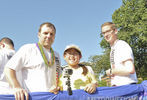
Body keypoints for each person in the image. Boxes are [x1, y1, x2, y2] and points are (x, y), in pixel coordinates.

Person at [4, 22, 61, 100]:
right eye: (45, 33)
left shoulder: (56, 55)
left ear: (54, 36)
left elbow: (59, 77)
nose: (48, 36)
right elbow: (9, 68)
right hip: (32, 97)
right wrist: (16, 87)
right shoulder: (28, 48)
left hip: (52, 97)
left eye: (52, 34)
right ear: (39, 34)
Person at [101, 22, 138, 86]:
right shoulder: (113, 49)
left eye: (108, 31)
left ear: (115, 31)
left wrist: (111, 71)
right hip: (119, 88)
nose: (106, 35)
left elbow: (130, 69)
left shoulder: (121, 45)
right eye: (103, 33)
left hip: (127, 87)